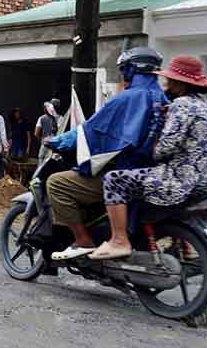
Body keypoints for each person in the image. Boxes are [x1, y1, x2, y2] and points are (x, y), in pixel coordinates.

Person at [90, 55, 207, 260]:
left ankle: (119, 241)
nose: (166, 84)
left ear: (180, 83)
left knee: (114, 180)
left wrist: (154, 139)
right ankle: (186, 248)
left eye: (170, 80)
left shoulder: (182, 105)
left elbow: (163, 149)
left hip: (182, 181)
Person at [44, 47, 168, 261]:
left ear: (131, 70)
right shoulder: (164, 99)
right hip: (155, 174)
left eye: (124, 70)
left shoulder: (127, 99)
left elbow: (92, 130)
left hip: (126, 173)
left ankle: (83, 240)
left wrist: (58, 141)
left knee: (57, 183)